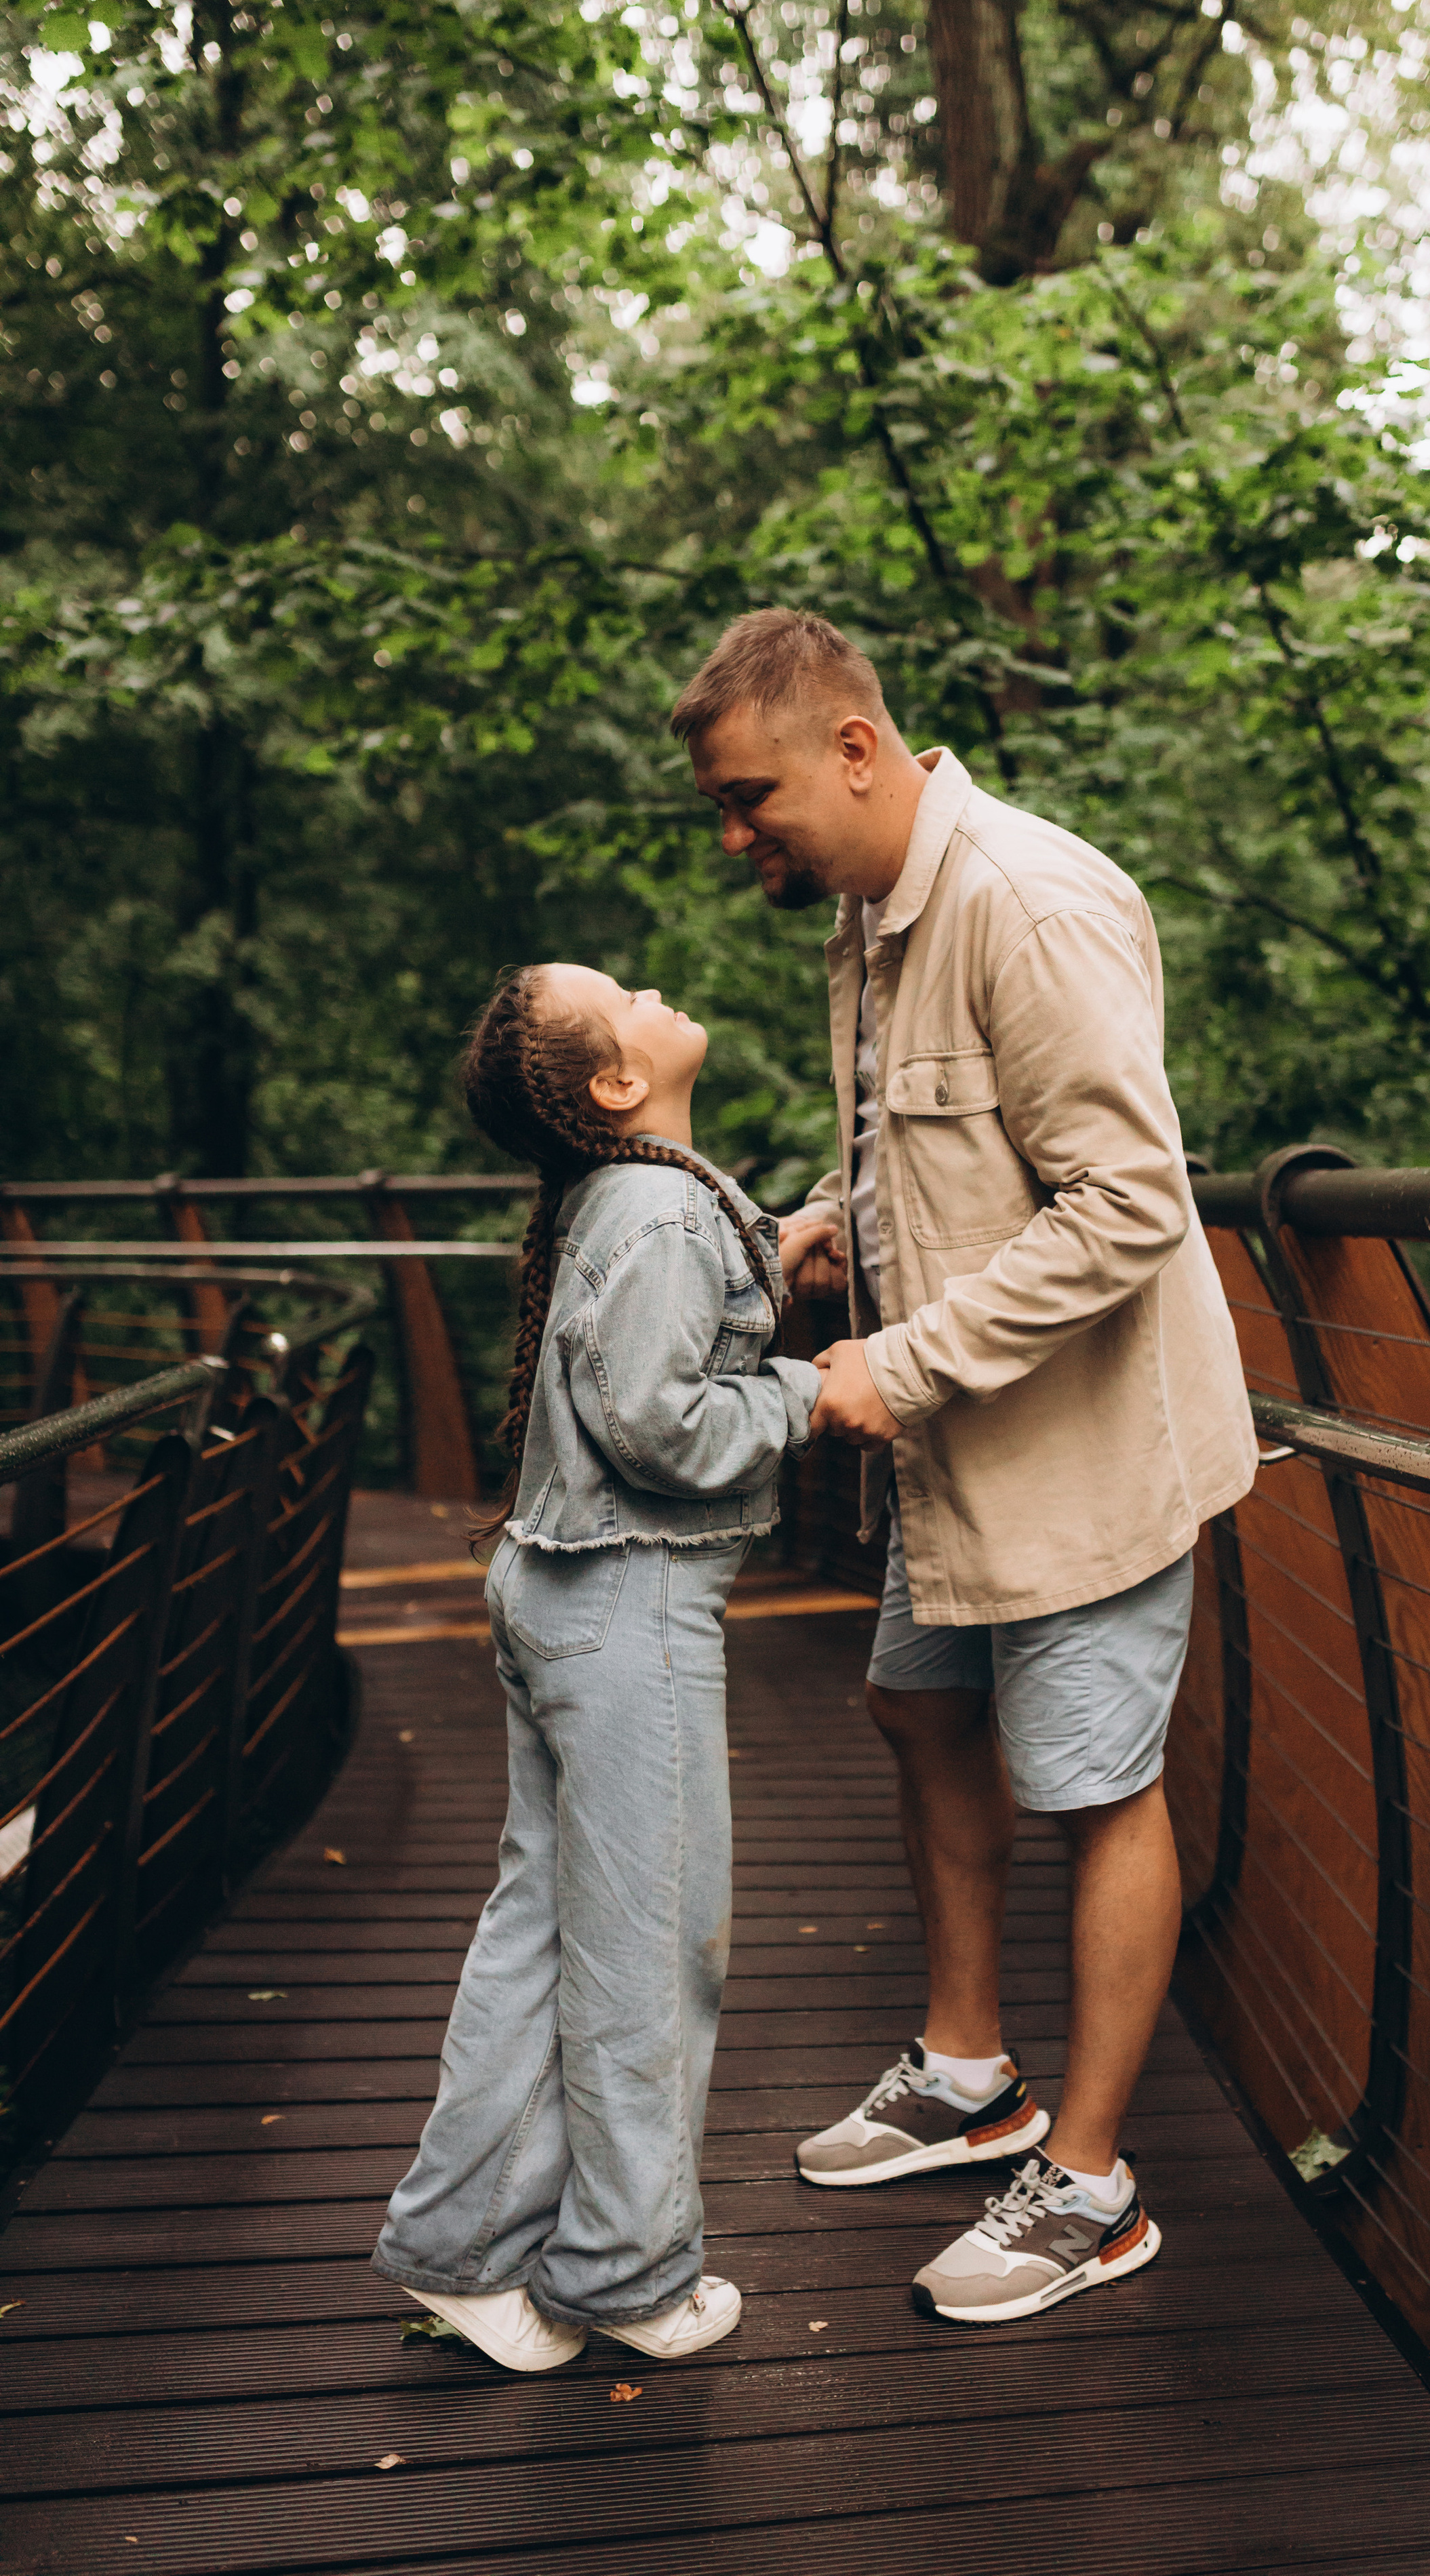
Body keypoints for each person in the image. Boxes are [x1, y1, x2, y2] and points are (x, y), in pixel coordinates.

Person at [675, 609, 1258, 2325]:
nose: (734, 837)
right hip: (962, 1456)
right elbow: (953, 1150)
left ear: (854, 750)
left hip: (1079, 1453)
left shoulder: (1024, 898)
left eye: (747, 796)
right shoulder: (869, 910)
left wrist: (905, 1361)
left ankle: (1089, 2187)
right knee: (919, 1709)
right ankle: (965, 2072)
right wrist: (825, 1232)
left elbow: (1132, 1203)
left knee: (1094, 1791)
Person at [371, 960, 833, 2371]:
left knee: (549, 1933)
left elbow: (657, 1312)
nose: (653, 983)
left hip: (558, 1596)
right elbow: (654, 1419)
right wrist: (816, 1391)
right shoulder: (655, 1208)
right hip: (625, 1607)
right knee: (650, 1952)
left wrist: (787, 1235)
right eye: (623, 993)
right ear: (618, 1088)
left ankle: (462, 2247)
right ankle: (628, 2274)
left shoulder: (635, 1194)